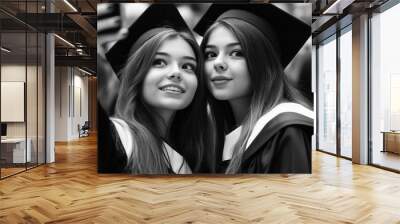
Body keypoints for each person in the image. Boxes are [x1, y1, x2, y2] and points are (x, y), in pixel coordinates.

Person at [194, 4, 314, 173]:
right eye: (211, 54)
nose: (218, 63)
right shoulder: (213, 133)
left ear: (264, 63)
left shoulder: (289, 132)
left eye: (236, 53)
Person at [99, 4, 215, 174]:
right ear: (136, 75)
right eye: (159, 62)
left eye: (188, 66)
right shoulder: (116, 139)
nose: (176, 73)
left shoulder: (201, 153)